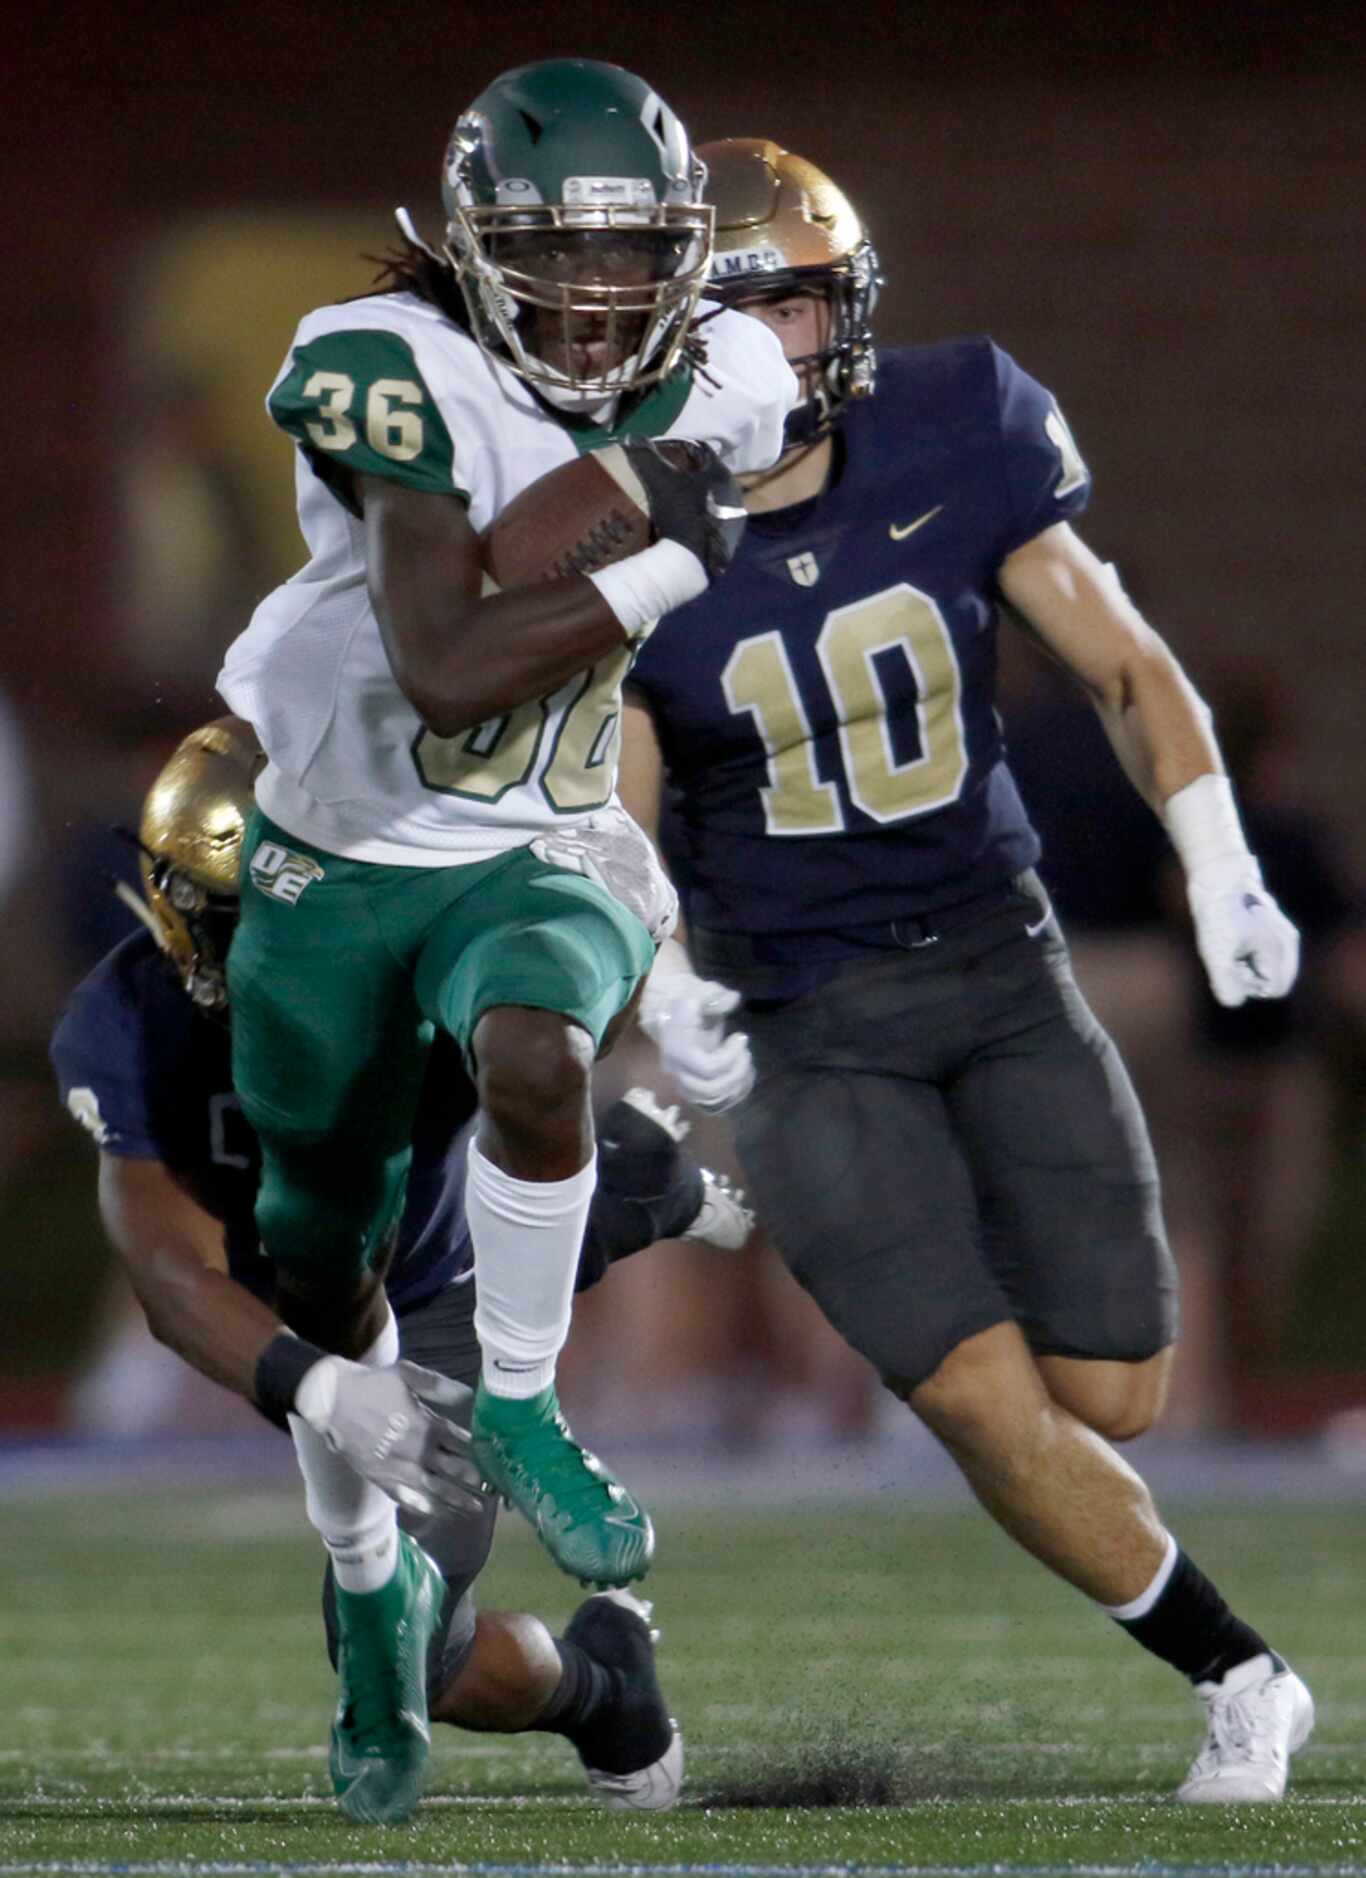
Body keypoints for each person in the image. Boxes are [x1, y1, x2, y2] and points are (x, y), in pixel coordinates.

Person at [619, 139, 1312, 1804]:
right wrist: (660, 981)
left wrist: (1218, 856)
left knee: (1113, 1391)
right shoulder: (618, 525)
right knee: (985, 1402)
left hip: (1002, 967)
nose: (782, 342)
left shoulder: (964, 421)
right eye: (743, 306)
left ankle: (967, 1282)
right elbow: (613, 813)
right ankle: (1243, 1676)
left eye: (801, 300)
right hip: (804, 1020)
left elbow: (1125, 665)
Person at [212, 59, 794, 1820]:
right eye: (560, 253)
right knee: (318, 1268)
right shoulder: (391, 367)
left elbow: (786, 446)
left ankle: (531, 1399)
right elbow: (451, 661)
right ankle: (377, 1576)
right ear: (470, 249)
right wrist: (659, 551)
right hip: (339, 860)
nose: (602, 297)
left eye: (637, 258)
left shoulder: (740, 369)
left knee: (536, 1047)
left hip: (534, 845)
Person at [51, 717, 754, 1820]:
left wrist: (660, 979)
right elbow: (167, 1273)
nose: (290, 942)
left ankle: (600, 1684)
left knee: (399, 1656)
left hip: (435, 1306)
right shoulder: (131, 1018)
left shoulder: (414, 934)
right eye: (258, 913)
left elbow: (560, 991)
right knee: (429, 1651)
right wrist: (323, 1389)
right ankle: (598, 1680)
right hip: (303, 1322)